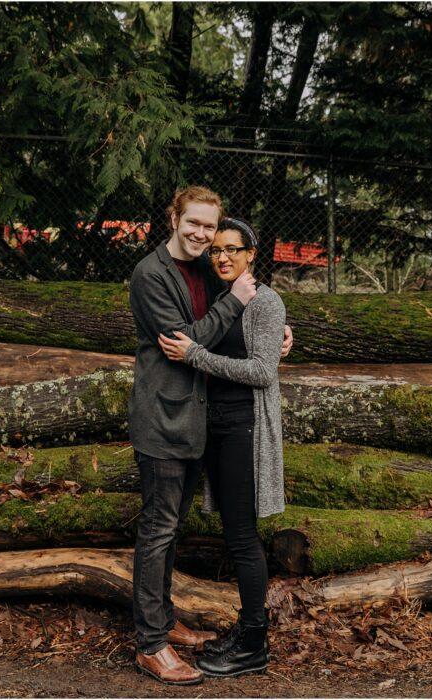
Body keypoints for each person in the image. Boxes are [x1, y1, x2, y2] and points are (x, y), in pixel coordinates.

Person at [128, 186, 293, 685]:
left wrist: (279, 329)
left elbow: (247, 324)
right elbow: (186, 341)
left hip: (203, 423)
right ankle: (151, 644)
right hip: (164, 419)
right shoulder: (150, 274)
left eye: (212, 230)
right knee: (158, 529)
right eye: (195, 225)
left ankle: (165, 621)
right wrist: (243, 300)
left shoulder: (205, 268)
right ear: (173, 217)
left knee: (172, 528)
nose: (205, 237)